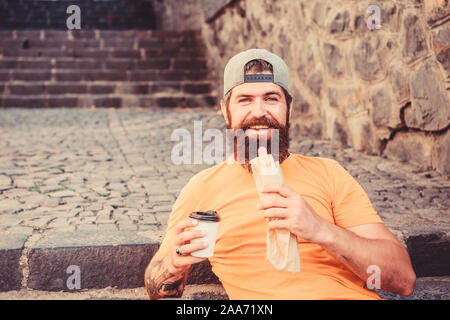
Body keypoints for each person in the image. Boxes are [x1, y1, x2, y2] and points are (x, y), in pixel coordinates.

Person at [144, 49, 416, 300]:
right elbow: (157, 288)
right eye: (245, 100)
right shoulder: (202, 187)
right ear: (225, 111)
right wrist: (174, 261)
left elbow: (403, 279)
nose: (259, 112)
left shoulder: (329, 173)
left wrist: (319, 229)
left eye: (271, 99)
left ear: (290, 108)